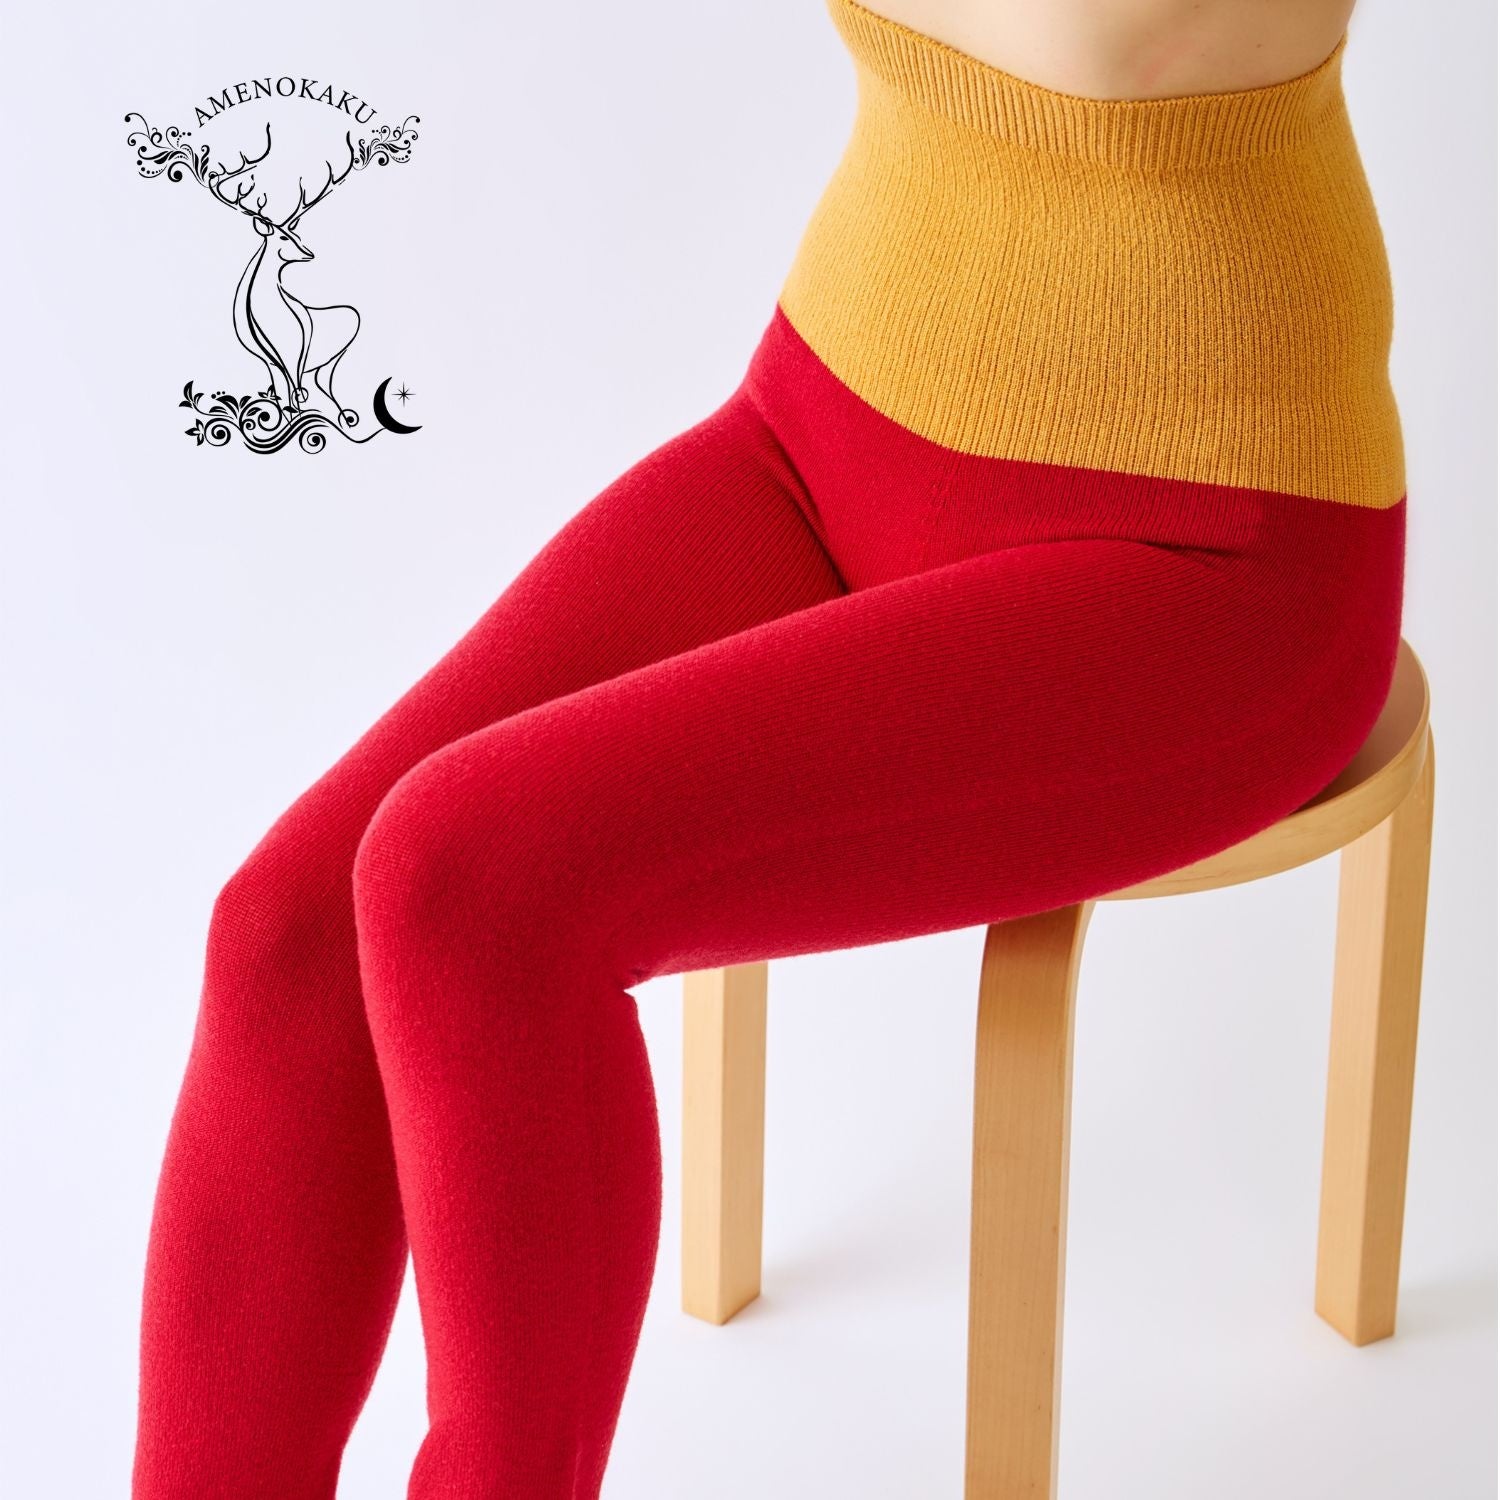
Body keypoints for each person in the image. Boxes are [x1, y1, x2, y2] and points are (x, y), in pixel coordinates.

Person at [131, 0, 1405, 1494]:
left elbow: (1097, 40)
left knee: (469, 884)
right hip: (825, 433)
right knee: (287, 932)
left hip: (1207, 548)